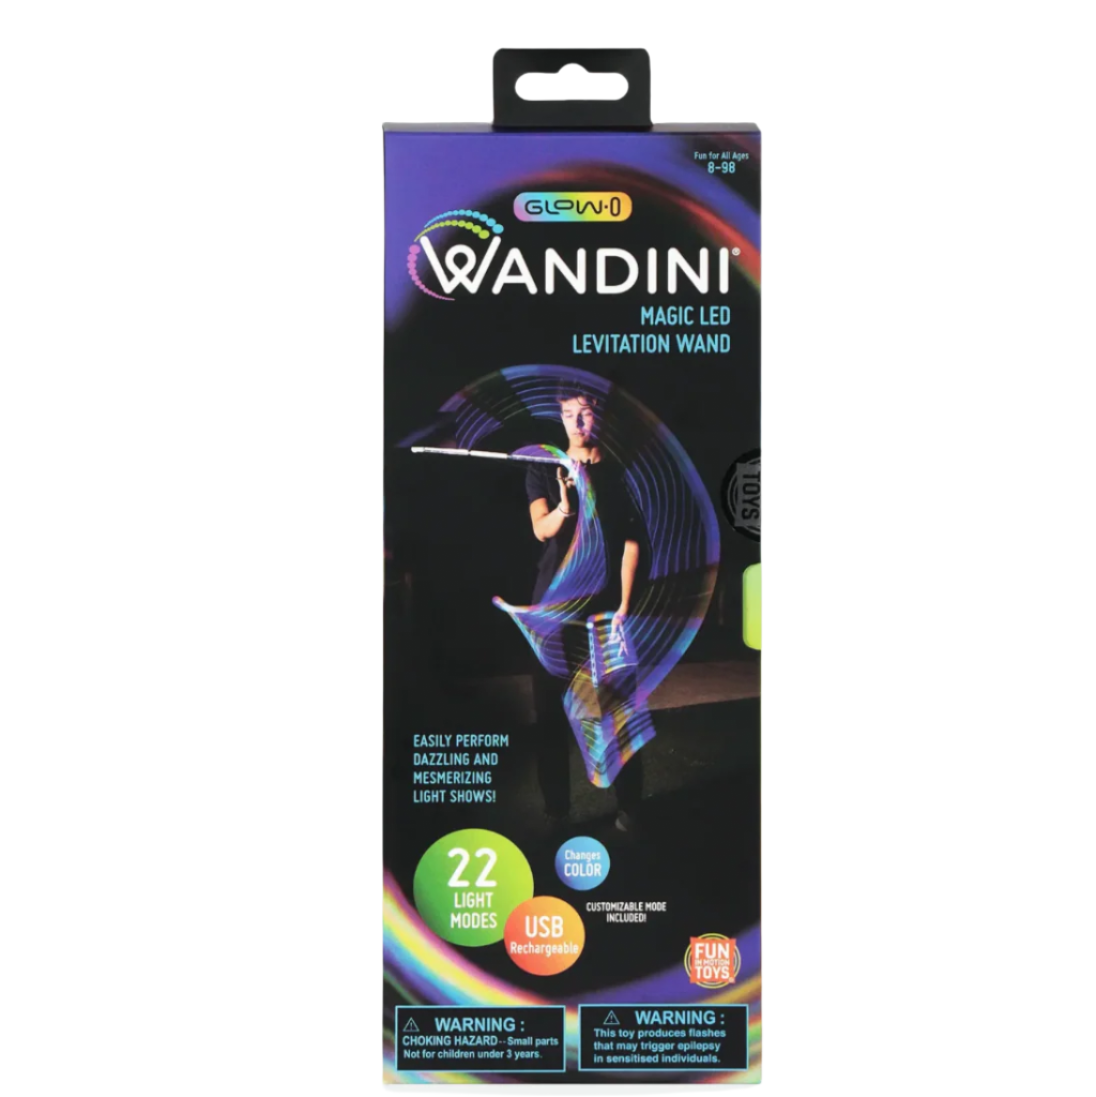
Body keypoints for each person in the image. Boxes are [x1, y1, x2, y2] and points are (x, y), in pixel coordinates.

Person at [525, 385, 645, 834]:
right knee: (550, 717)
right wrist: (564, 505)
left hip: (603, 611)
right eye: (567, 413)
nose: (576, 423)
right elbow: (541, 529)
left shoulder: (623, 472)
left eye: (585, 412)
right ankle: (556, 810)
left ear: (600, 416)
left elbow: (631, 542)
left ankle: (630, 805)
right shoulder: (544, 468)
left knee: (616, 712)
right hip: (552, 612)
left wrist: (624, 607)